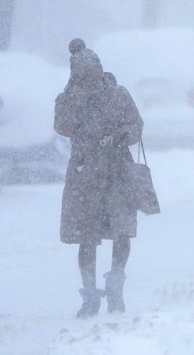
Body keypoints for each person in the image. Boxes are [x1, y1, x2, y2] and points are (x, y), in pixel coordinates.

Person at [54, 38, 144, 318]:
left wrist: (120, 135)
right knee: (86, 237)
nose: (89, 83)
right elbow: (62, 126)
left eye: (92, 77)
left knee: (121, 231)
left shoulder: (119, 94)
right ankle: (90, 295)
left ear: (100, 71)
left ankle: (116, 288)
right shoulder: (69, 98)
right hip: (85, 175)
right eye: (83, 79)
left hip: (117, 172)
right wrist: (72, 96)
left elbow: (136, 126)